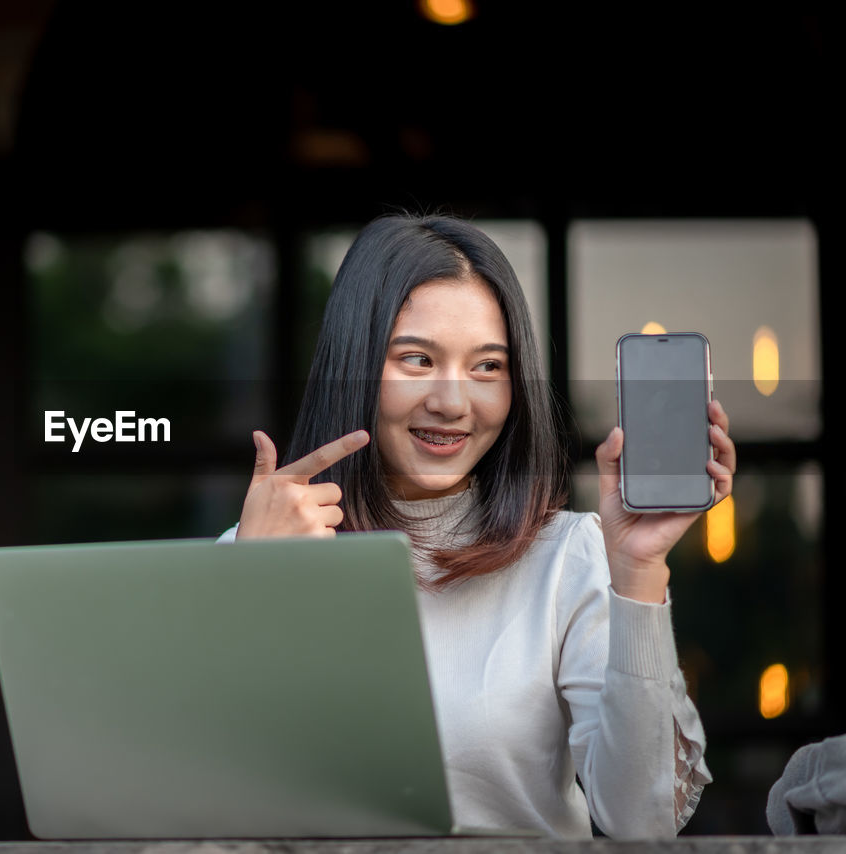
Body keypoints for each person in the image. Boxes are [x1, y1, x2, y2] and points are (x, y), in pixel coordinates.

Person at [217, 213, 735, 839]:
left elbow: (642, 820)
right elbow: (195, 789)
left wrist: (639, 570)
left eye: (488, 367)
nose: (454, 402)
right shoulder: (256, 554)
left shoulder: (567, 556)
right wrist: (248, 587)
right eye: (416, 359)